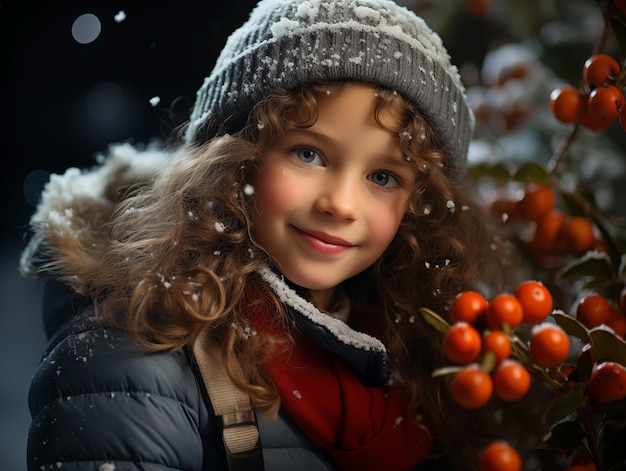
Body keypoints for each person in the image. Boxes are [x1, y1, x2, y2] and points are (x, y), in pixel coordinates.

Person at [20, 0, 508, 469]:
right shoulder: (128, 362)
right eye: (308, 154)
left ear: (420, 208)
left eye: (383, 177)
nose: (340, 204)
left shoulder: (417, 366)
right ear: (229, 160)